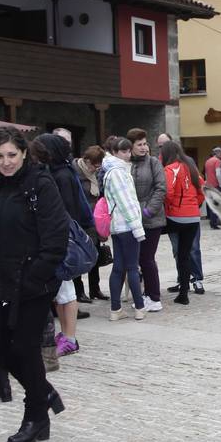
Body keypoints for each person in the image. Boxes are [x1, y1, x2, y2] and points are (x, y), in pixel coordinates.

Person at [0, 128, 71, 442]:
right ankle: (44, 392)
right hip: (3, 280)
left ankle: (35, 416)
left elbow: (56, 236)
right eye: (0, 156)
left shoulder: (39, 184)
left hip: (34, 283)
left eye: (12, 155)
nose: (6, 162)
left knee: (25, 348)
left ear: (23, 154)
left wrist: (36, 276)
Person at [32, 133, 95, 354]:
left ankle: (70, 337)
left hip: (62, 241)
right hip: (57, 239)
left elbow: (66, 211)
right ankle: (66, 334)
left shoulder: (61, 176)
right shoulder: (58, 173)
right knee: (61, 292)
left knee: (66, 292)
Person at [100, 137, 147, 320]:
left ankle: (115, 309)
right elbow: (126, 202)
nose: (127, 154)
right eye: (124, 151)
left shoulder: (112, 170)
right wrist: (137, 228)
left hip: (118, 226)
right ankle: (139, 308)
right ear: (115, 152)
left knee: (119, 268)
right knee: (132, 268)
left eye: (128, 151)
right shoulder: (117, 171)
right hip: (126, 225)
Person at [161, 141, 207, 305]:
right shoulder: (192, 168)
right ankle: (184, 293)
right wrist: (195, 204)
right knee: (185, 254)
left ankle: (182, 289)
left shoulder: (170, 169)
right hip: (193, 217)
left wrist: (169, 207)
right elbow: (202, 191)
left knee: (178, 253)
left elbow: (168, 193)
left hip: (175, 216)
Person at [126, 129, 167, 312]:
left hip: (151, 218)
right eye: (139, 144)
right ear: (131, 147)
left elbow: (161, 188)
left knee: (147, 258)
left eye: (145, 144)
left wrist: (149, 210)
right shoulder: (126, 164)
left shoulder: (153, 163)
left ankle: (154, 297)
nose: (143, 147)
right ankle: (146, 293)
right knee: (137, 259)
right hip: (132, 217)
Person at [73, 145, 106, 303]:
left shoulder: (97, 175)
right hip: (80, 221)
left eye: (99, 166)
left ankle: (95, 289)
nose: (96, 169)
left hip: (95, 221)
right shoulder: (75, 173)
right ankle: (79, 291)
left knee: (95, 256)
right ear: (86, 161)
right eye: (94, 165)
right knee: (79, 256)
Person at [204, 147, 221, 228]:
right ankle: (215, 223)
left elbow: (206, 174)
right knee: (218, 205)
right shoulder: (217, 161)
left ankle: (212, 222)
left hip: (209, 185)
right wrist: (220, 184)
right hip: (216, 186)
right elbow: (218, 173)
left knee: (212, 204)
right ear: (217, 153)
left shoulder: (207, 161)